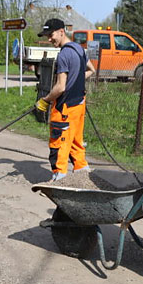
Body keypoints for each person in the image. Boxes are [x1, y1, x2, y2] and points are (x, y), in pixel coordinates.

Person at [35, 18, 96, 181]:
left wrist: (45, 100)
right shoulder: (79, 49)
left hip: (65, 108)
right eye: (47, 36)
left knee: (59, 143)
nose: (49, 39)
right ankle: (83, 176)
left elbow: (60, 87)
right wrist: (76, 81)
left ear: (61, 32)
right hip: (79, 105)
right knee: (76, 142)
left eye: (51, 35)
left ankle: (59, 178)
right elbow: (92, 69)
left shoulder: (63, 55)